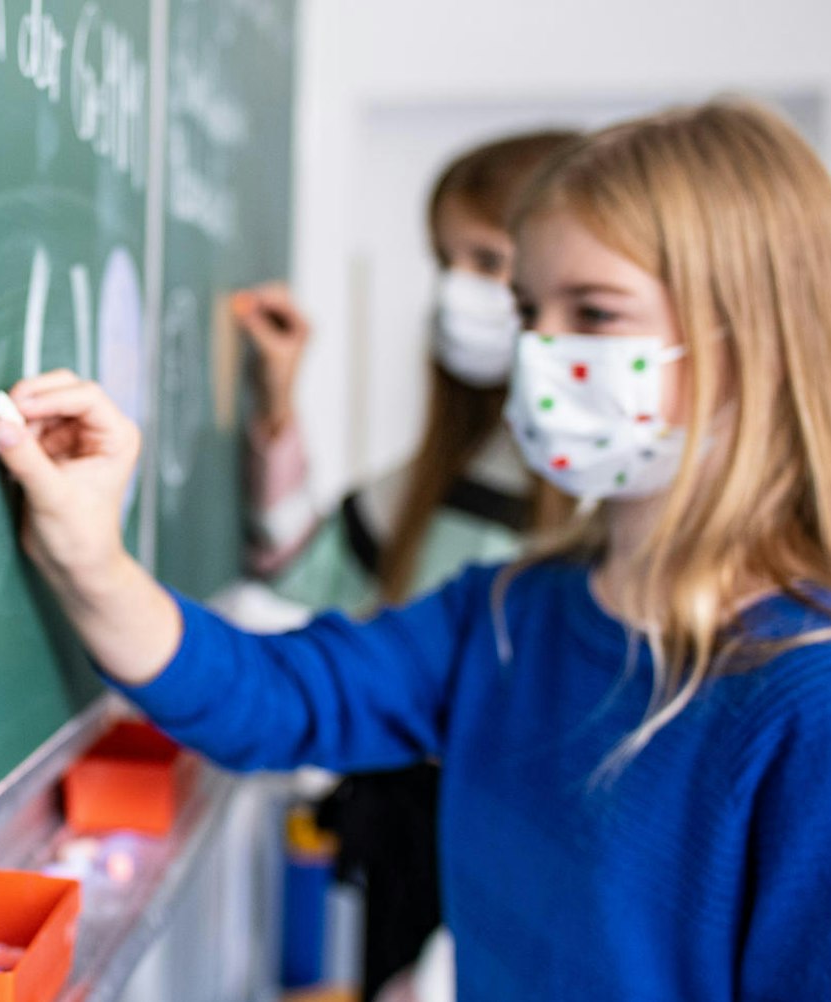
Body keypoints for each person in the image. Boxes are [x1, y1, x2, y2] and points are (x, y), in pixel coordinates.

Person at [0, 99, 831, 998]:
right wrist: (90, 558)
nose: (539, 354)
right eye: (529, 312)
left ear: (749, 343)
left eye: (592, 314)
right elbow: (271, 699)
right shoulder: (511, 614)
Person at [232, 129, 578, 999]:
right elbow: (301, 566)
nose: (465, 291)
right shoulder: (450, 475)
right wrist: (278, 407)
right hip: (410, 835)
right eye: (448, 261)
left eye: (492, 260)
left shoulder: (616, 501)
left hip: (539, 845)